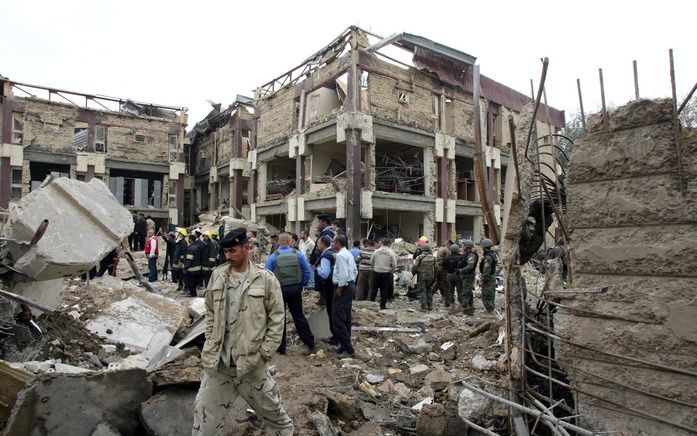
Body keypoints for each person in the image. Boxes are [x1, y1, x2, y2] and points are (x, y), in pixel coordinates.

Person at [192, 228, 293, 436]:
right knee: (203, 424)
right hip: (219, 366)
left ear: (246, 248)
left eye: (232, 251)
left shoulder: (265, 280)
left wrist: (265, 353)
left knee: (279, 421)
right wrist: (210, 339)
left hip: (252, 366)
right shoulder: (218, 276)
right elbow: (210, 311)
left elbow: (277, 319)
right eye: (225, 252)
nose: (228, 256)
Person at [265, 233, 314, 355]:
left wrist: (271, 290)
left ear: (279, 242)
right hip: (295, 290)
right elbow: (306, 271)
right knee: (299, 317)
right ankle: (309, 342)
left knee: (280, 318)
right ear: (289, 241)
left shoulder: (273, 256)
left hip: (280, 291)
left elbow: (267, 274)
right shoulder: (297, 254)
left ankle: (281, 348)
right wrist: (301, 285)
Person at [331, 235, 357, 359]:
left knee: (337, 319)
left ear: (338, 243)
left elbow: (344, 274)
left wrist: (340, 289)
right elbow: (355, 271)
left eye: (333, 242)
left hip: (344, 288)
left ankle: (348, 348)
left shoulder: (341, 255)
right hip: (350, 286)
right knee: (346, 318)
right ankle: (343, 345)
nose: (332, 244)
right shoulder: (348, 254)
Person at [315, 235, 337, 345]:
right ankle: (337, 335)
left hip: (328, 287)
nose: (318, 245)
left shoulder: (325, 256)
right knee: (335, 311)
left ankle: (335, 337)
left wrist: (318, 269)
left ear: (323, 244)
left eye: (319, 243)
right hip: (334, 285)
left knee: (331, 311)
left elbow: (325, 274)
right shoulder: (333, 252)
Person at [370, 239, 398, 310]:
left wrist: (374, 268)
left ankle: (371, 304)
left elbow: (371, 261)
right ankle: (382, 305)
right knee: (384, 290)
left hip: (376, 272)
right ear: (388, 244)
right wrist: (390, 271)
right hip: (386, 273)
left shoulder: (376, 251)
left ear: (382, 243)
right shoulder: (391, 253)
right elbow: (394, 265)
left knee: (374, 289)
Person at [457, 239, 479, 315]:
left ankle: (465, 309)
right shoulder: (466, 254)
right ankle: (470, 309)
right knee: (469, 292)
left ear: (467, 247)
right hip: (465, 275)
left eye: (463, 246)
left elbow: (470, 266)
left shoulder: (471, 255)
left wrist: (461, 270)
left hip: (468, 276)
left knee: (466, 293)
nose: (462, 247)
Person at [413, 244, 436, 311]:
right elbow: (436, 268)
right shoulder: (433, 258)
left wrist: (413, 273)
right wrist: (434, 277)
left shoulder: (419, 257)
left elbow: (415, 266)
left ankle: (423, 306)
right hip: (430, 275)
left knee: (423, 290)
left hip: (422, 276)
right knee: (429, 290)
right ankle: (430, 305)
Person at [479, 238, 498, 313]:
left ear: (485, 248)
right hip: (491, 277)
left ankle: (490, 311)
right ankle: (490, 310)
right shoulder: (492, 254)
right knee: (491, 294)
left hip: (488, 278)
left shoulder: (488, 257)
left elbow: (486, 270)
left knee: (486, 295)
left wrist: (482, 280)